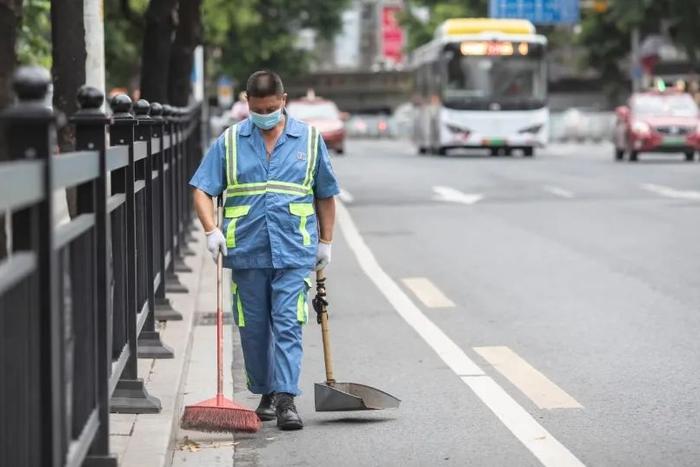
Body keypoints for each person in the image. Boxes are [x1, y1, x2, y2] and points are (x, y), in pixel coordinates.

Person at [189, 70, 339, 430]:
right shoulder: (229, 142)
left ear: (284, 101)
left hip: (293, 250)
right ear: (247, 102)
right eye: (259, 109)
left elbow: (325, 193)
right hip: (247, 251)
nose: (265, 115)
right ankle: (266, 392)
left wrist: (326, 241)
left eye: (272, 108)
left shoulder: (309, 139)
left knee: (288, 323)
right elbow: (201, 189)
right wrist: (211, 230)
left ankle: (286, 398)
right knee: (254, 328)